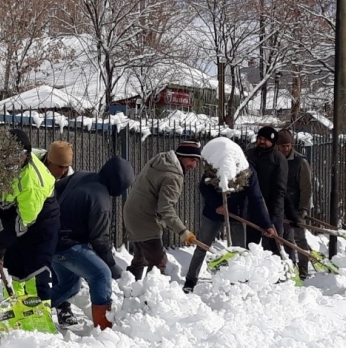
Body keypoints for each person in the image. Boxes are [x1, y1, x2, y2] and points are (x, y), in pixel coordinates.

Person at [50, 156, 135, 329]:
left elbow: (56, 187)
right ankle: (103, 327)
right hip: (67, 245)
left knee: (69, 286)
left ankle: (31, 310)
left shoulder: (82, 175)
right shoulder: (101, 200)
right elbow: (100, 239)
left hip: (51, 240)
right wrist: (113, 267)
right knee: (101, 274)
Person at [183, 151, 275, 293]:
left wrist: (266, 224)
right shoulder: (217, 167)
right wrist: (217, 205)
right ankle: (190, 281)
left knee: (239, 251)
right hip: (213, 213)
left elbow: (256, 199)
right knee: (202, 246)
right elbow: (204, 186)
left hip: (237, 214)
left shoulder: (249, 172)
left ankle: (237, 283)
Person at [0, 129, 60, 319]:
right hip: (17, 217)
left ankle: (39, 318)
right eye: (9, 154)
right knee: (14, 267)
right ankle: (16, 315)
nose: (13, 159)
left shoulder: (32, 181)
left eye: (18, 155)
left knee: (35, 270)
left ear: (26, 154)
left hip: (41, 224)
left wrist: (1, 243)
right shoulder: (6, 166)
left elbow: (24, 220)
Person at [123, 141, 201, 279]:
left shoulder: (161, 160)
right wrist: (183, 232)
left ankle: (131, 291)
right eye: (192, 160)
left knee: (140, 258)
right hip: (145, 219)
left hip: (131, 213)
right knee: (158, 262)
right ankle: (152, 297)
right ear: (182, 156)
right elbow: (165, 208)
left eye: (196, 162)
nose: (194, 166)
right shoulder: (173, 175)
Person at [276, 129, 313, 278]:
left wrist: (303, 208)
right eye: (283, 146)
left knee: (299, 237)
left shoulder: (300, 162)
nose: (286, 149)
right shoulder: (275, 159)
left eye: (288, 145)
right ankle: (290, 265)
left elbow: (306, 187)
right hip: (279, 205)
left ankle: (303, 267)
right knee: (285, 238)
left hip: (296, 205)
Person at [245, 126, 288, 254]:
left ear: (273, 142)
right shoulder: (249, 155)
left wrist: (274, 216)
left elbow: (280, 189)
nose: (261, 141)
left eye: (265, 139)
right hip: (252, 209)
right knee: (250, 246)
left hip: (271, 208)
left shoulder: (278, 159)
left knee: (273, 247)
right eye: (260, 138)